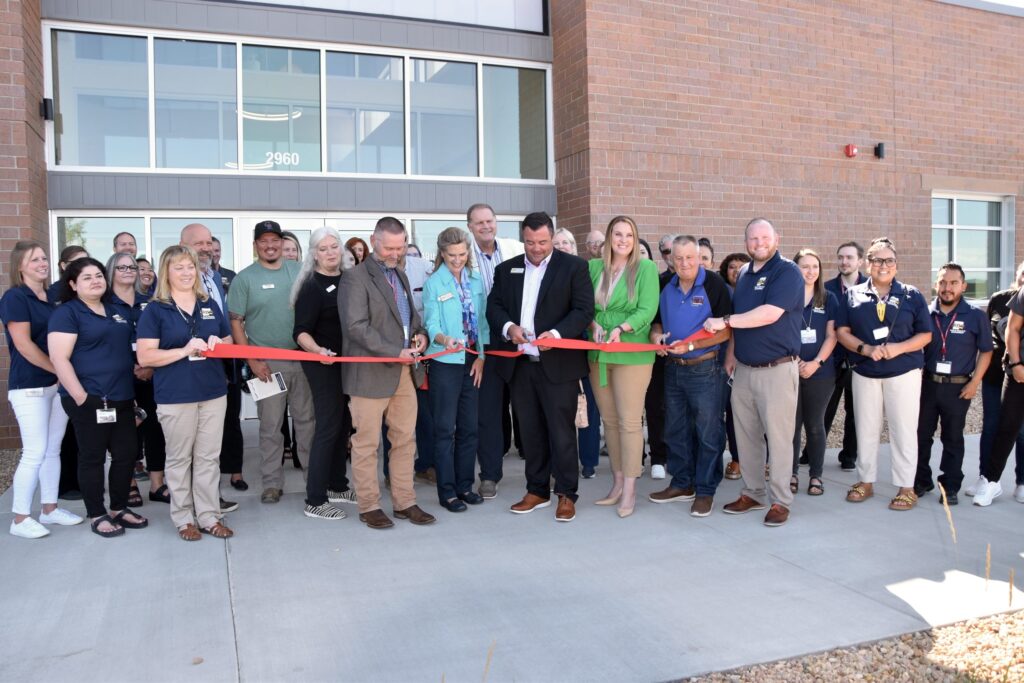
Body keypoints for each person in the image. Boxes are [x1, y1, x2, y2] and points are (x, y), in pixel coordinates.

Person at [487, 211, 594, 522]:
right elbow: (493, 307)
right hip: (520, 365)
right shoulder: (507, 269)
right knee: (530, 431)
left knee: (561, 432)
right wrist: (509, 327)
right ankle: (536, 490)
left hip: (558, 364)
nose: (536, 248)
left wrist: (557, 335)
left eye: (543, 242)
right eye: (530, 242)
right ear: (523, 238)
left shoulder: (574, 267)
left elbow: (583, 309)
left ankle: (566, 494)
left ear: (552, 237)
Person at [704, 218, 803, 527]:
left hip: (777, 368)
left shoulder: (787, 272)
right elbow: (743, 321)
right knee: (746, 436)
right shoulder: (745, 273)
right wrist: (732, 353)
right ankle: (753, 492)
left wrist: (726, 321)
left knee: (778, 437)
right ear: (745, 241)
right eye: (752, 239)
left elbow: (768, 314)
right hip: (744, 369)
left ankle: (780, 500)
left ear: (777, 238)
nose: (759, 243)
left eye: (764, 238)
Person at [338, 216, 435, 529]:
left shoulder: (401, 274)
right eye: (390, 247)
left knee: (406, 441)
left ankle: (405, 502)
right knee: (367, 445)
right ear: (373, 241)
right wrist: (395, 351)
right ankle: (369, 506)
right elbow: (355, 327)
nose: (396, 253)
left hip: (405, 373)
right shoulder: (354, 278)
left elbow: (409, 318)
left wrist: (421, 335)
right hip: (370, 376)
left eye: (401, 246)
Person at [137, 246, 234, 540]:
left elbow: (229, 342)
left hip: (213, 392)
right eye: (178, 267)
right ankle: (183, 519)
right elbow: (146, 357)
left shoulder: (209, 304)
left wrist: (219, 343)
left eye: (190, 266)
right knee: (180, 459)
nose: (186, 272)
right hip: (176, 396)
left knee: (208, 457)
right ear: (166, 272)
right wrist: (183, 350)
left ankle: (208, 516)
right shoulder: (155, 310)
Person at [48, 257, 148, 538]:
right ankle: (97, 513)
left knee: (126, 454)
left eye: (99, 275)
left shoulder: (116, 310)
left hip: (122, 396)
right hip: (88, 399)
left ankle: (118, 508)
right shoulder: (67, 313)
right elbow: (59, 357)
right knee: (92, 458)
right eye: (87, 277)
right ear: (73, 284)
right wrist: (81, 397)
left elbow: (127, 351)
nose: (95, 281)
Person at [835, 238, 931, 511]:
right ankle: (865, 481)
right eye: (877, 260)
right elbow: (842, 332)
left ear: (896, 265)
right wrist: (865, 349)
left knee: (903, 430)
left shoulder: (911, 295)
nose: (883, 265)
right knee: (865, 428)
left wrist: (898, 348)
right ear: (868, 263)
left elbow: (925, 334)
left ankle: (906, 487)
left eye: (889, 260)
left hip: (903, 372)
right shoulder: (852, 295)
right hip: (866, 372)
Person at [227, 220, 314, 505]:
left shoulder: (299, 270)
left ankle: (313, 481)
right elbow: (236, 322)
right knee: (270, 426)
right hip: (265, 364)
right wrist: (251, 360)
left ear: (281, 241)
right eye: (263, 241)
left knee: (307, 424)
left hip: (302, 359)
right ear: (255, 246)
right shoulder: (244, 279)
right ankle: (272, 483)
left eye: (274, 240)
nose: (270, 245)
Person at [1, 241, 82, 538]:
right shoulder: (15, 297)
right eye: (34, 260)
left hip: (54, 385)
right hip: (29, 387)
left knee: (52, 449)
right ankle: (20, 518)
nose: (42, 263)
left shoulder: (51, 297)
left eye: (44, 258)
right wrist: (60, 370)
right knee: (34, 451)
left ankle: (49, 509)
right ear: (19, 266)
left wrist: (60, 374)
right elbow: (24, 346)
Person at [649, 235, 732, 517]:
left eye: (689, 257)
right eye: (678, 258)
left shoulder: (713, 284)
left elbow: (726, 328)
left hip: (705, 369)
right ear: (671, 259)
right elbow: (656, 321)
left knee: (708, 433)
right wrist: (656, 336)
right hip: (673, 368)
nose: (684, 263)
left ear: (699, 257)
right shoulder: (665, 285)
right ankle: (683, 483)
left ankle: (705, 490)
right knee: (676, 429)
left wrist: (693, 345)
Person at [587, 216, 659, 517]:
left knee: (630, 422)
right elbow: (582, 305)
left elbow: (648, 308)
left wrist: (624, 327)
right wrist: (591, 323)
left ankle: (630, 489)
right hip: (598, 354)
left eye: (629, 235)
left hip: (632, 352)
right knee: (610, 422)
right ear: (608, 237)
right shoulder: (593, 268)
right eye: (618, 234)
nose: (623, 240)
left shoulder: (645, 268)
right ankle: (616, 483)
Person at [291, 227, 357, 520]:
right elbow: (300, 332)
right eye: (323, 248)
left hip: (346, 364)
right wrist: (317, 350)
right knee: (328, 426)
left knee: (343, 425)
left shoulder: (349, 280)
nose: (331, 253)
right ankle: (315, 500)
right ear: (313, 254)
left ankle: (337, 485)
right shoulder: (311, 286)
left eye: (335, 247)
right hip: (321, 365)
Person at [913, 263, 991, 506]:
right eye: (943, 282)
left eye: (953, 283)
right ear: (936, 284)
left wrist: (974, 383)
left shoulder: (976, 315)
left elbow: (986, 352)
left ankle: (950, 486)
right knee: (920, 435)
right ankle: (921, 480)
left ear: (963, 286)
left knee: (953, 438)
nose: (947, 288)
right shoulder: (925, 313)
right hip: (927, 385)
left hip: (958, 388)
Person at [423, 227, 489, 512]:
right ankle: (447, 491)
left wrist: (482, 357)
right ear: (442, 254)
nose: (458, 259)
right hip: (445, 363)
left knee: (469, 429)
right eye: (452, 255)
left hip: (471, 362)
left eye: (463, 254)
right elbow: (432, 324)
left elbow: (483, 323)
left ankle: (465, 486)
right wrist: (445, 340)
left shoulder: (476, 281)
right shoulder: (434, 283)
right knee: (444, 429)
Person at [181, 223, 243, 504]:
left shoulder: (213, 278)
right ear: (184, 245)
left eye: (209, 243)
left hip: (218, 370)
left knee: (210, 444)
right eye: (199, 244)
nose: (206, 249)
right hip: (189, 374)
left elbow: (221, 325)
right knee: (189, 448)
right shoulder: (179, 281)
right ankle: (193, 504)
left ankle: (209, 498)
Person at [466, 203, 525, 499]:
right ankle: (489, 474)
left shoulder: (515, 249)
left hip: (517, 339)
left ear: (496, 222)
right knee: (487, 412)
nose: (485, 226)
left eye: (489, 220)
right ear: (470, 226)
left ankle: (541, 471)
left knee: (527, 408)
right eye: (479, 223)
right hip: (485, 344)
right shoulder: (464, 255)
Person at [106, 251, 166, 508]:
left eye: (132, 267)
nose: (129, 271)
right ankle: (129, 483)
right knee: (126, 433)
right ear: (111, 271)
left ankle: (157, 484)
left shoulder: (149, 303)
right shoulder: (103, 304)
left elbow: (161, 338)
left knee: (156, 430)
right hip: (118, 378)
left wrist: (150, 365)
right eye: (122, 267)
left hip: (150, 375)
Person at [970, 271, 1024, 506]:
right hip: (1019, 373)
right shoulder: (1019, 295)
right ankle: (991, 481)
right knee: (1007, 427)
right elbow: (1012, 328)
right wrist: (1016, 363)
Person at [789, 249, 838, 497]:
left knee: (815, 425)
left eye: (815, 266)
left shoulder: (828, 298)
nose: (810, 271)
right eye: (804, 266)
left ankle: (816, 475)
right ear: (795, 269)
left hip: (821, 372)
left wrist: (815, 362)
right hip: (790, 369)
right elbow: (782, 332)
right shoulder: (787, 297)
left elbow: (832, 336)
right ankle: (792, 473)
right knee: (792, 426)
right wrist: (797, 361)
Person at [552, 227, 601, 477]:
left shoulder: (584, 270)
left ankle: (589, 461)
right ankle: (563, 461)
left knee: (588, 406)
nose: (561, 247)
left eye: (566, 243)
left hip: (583, 348)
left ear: (574, 247)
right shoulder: (544, 274)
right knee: (561, 409)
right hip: (555, 351)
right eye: (556, 243)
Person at [823, 241, 868, 471]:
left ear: (860, 261)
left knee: (855, 411)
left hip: (858, 361)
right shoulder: (826, 288)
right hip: (831, 359)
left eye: (849, 257)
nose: (844, 262)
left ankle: (849, 455)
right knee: (824, 409)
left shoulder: (870, 289)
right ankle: (812, 454)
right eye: (840, 257)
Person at [717, 252, 751, 480]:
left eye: (741, 267)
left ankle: (760, 461)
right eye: (732, 267)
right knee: (727, 411)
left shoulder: (754, 294)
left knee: (749, 415)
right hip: (722, 362)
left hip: (750, 360)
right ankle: (735, 460)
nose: (736, 271)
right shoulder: (721, 293)